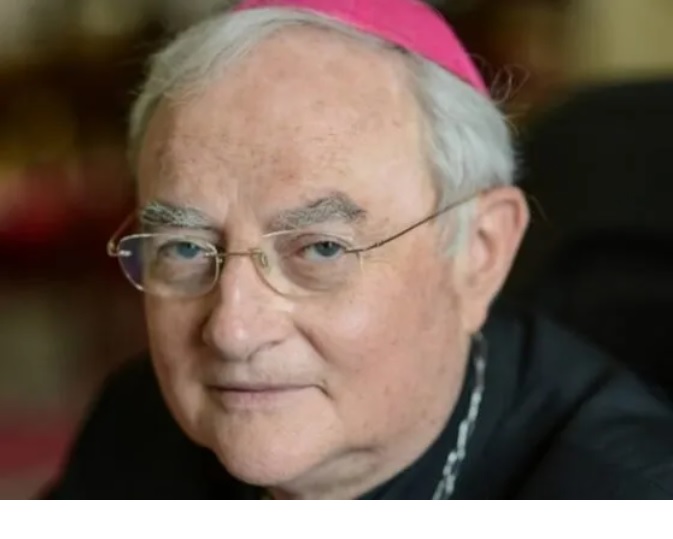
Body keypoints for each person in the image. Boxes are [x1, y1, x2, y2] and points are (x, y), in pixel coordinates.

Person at [46, 0, 673, 499]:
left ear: (478, 253)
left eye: (320, 249)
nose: (232, 332)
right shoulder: (135, 425)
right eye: (185, 247)